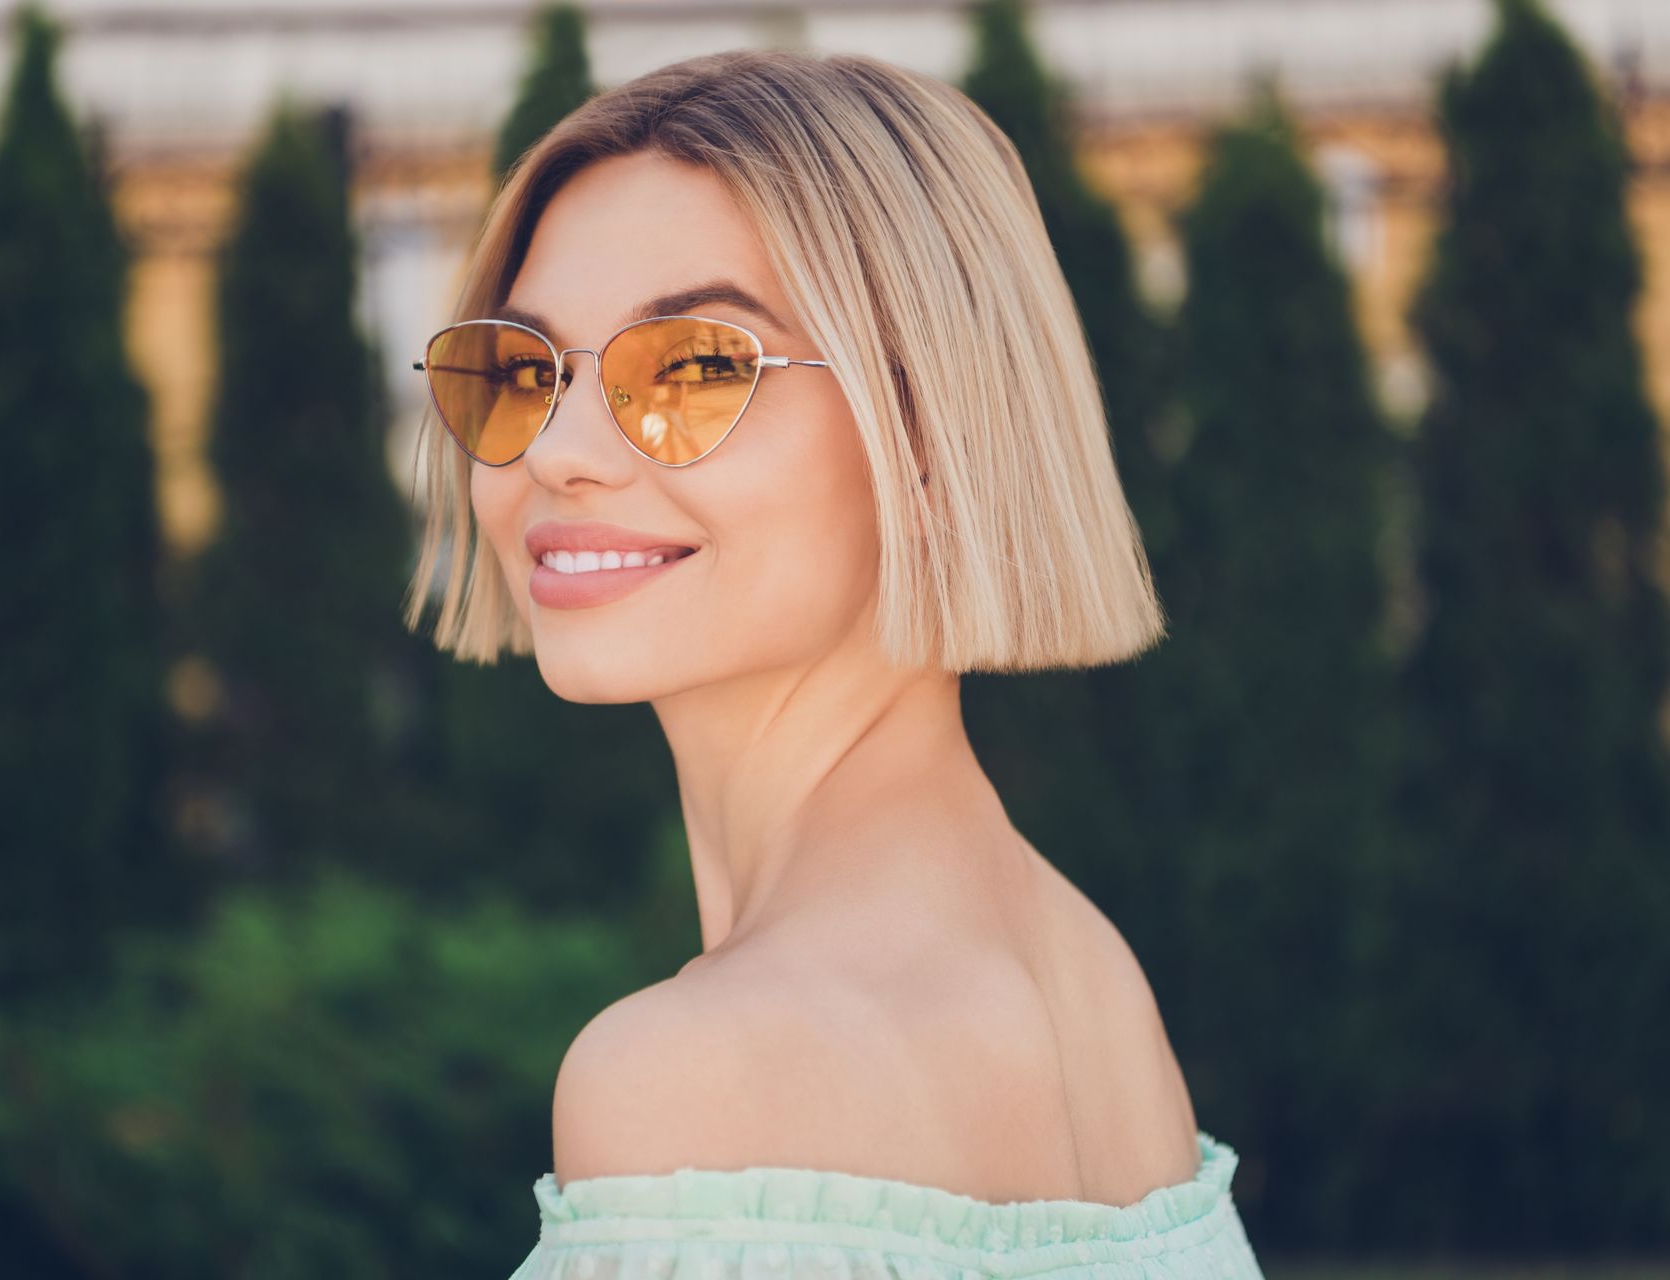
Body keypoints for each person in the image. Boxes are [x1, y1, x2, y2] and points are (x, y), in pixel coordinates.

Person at [405, 47, 1265, 1279]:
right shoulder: (1088, 978)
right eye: (525, 369)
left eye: (697, 366)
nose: (560, 452)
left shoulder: (693, 1073)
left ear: (925, 426)